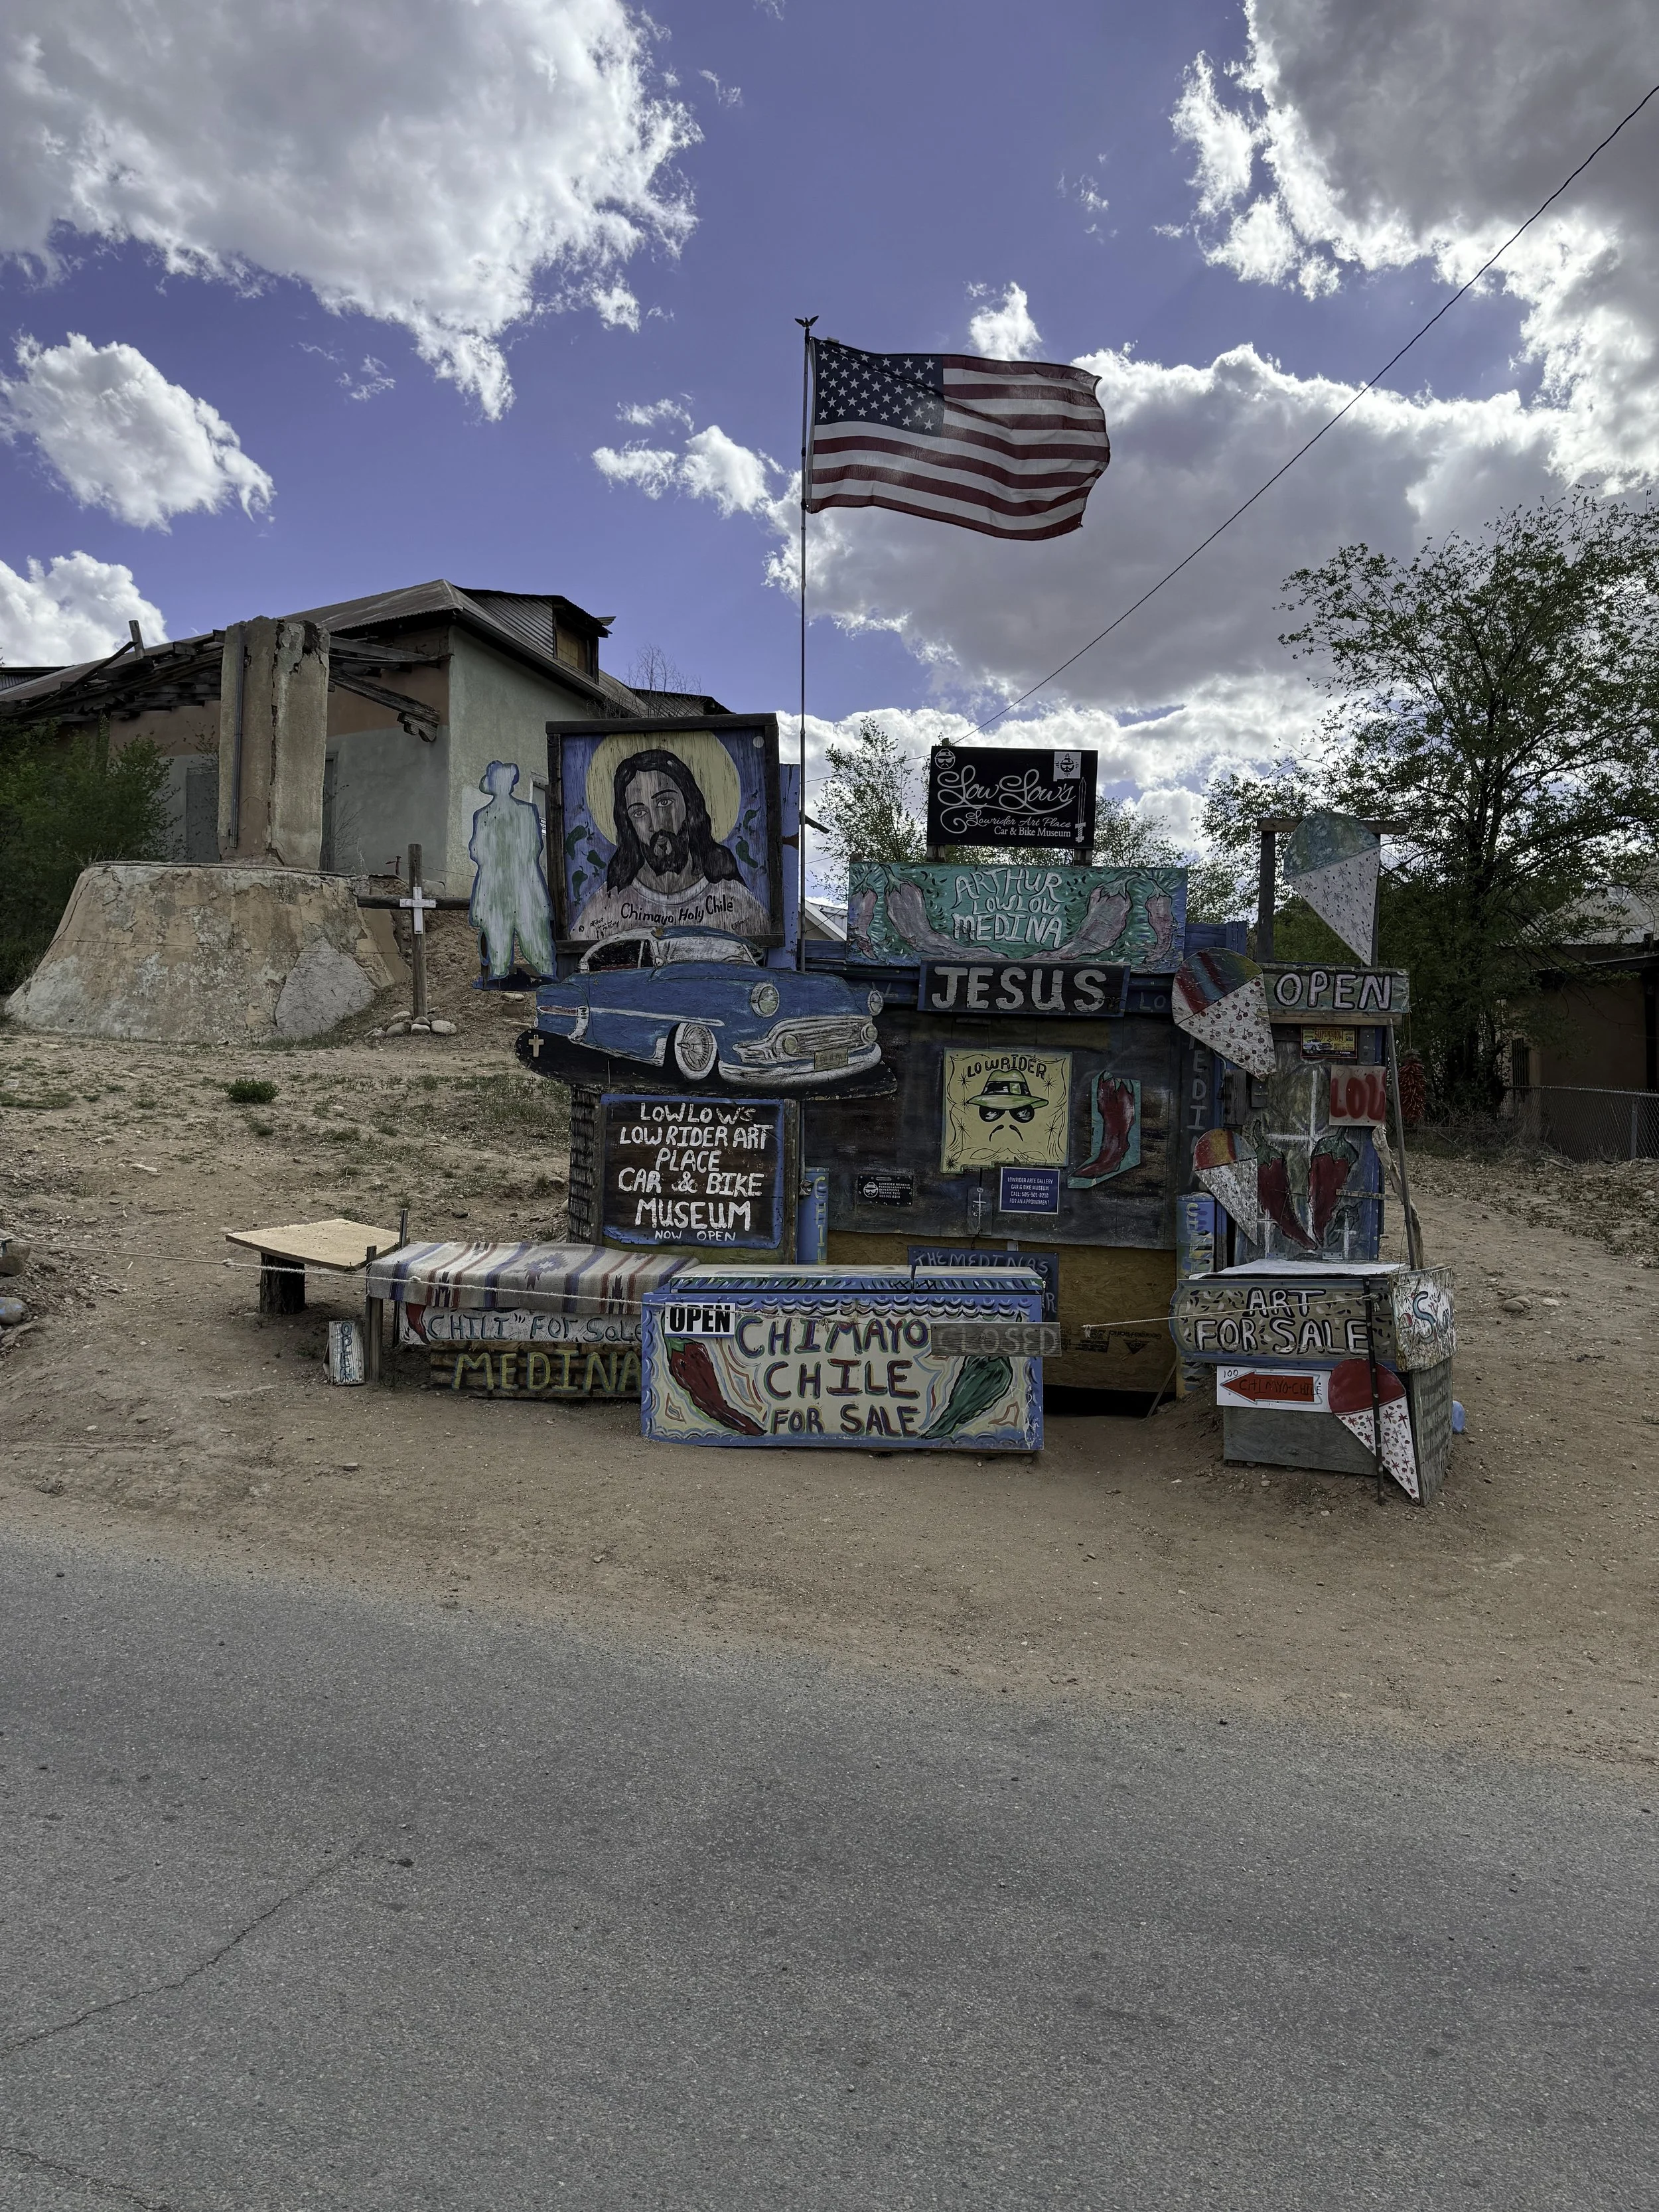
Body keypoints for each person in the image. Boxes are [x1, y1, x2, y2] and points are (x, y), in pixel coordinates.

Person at [573, 748, 770, 940]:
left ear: (689, 804)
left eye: (664, 802)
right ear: (629, 826)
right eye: (639, 813)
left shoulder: (731, 899)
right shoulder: (610, 904)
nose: (656, 824)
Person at [469, 761, 555, 978]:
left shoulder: (485, 816)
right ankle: (540, 969)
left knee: (510, 930)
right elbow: (534, 845)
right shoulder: (525, 813)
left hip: (502, 884)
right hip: (521, 883)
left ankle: (504, 971)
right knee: (527, 930)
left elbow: (476, 850)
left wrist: (497, 862)